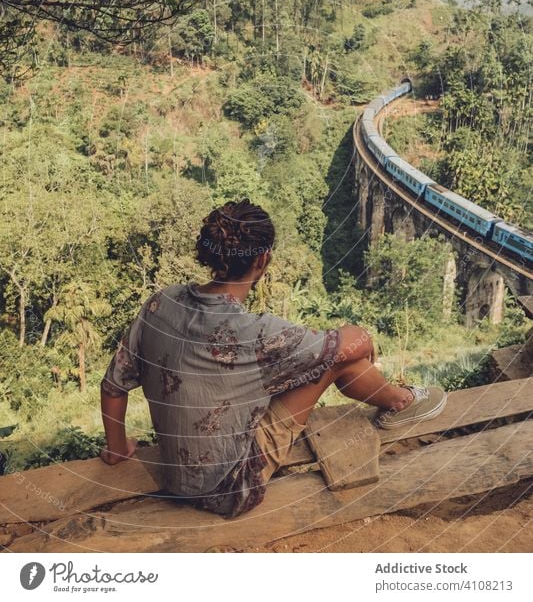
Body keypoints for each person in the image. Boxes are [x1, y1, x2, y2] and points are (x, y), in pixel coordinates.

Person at [100, 199, 446, 518]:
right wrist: (362, 335)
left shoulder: (162, 302)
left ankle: (397, 400)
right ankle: (400, 402)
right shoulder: (257, 332)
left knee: (321, 356)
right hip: (231, 490)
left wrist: (117, 449)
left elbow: (114, 386)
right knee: (339, 358)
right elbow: (350, 345)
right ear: (262, 260)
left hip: (176, 478)